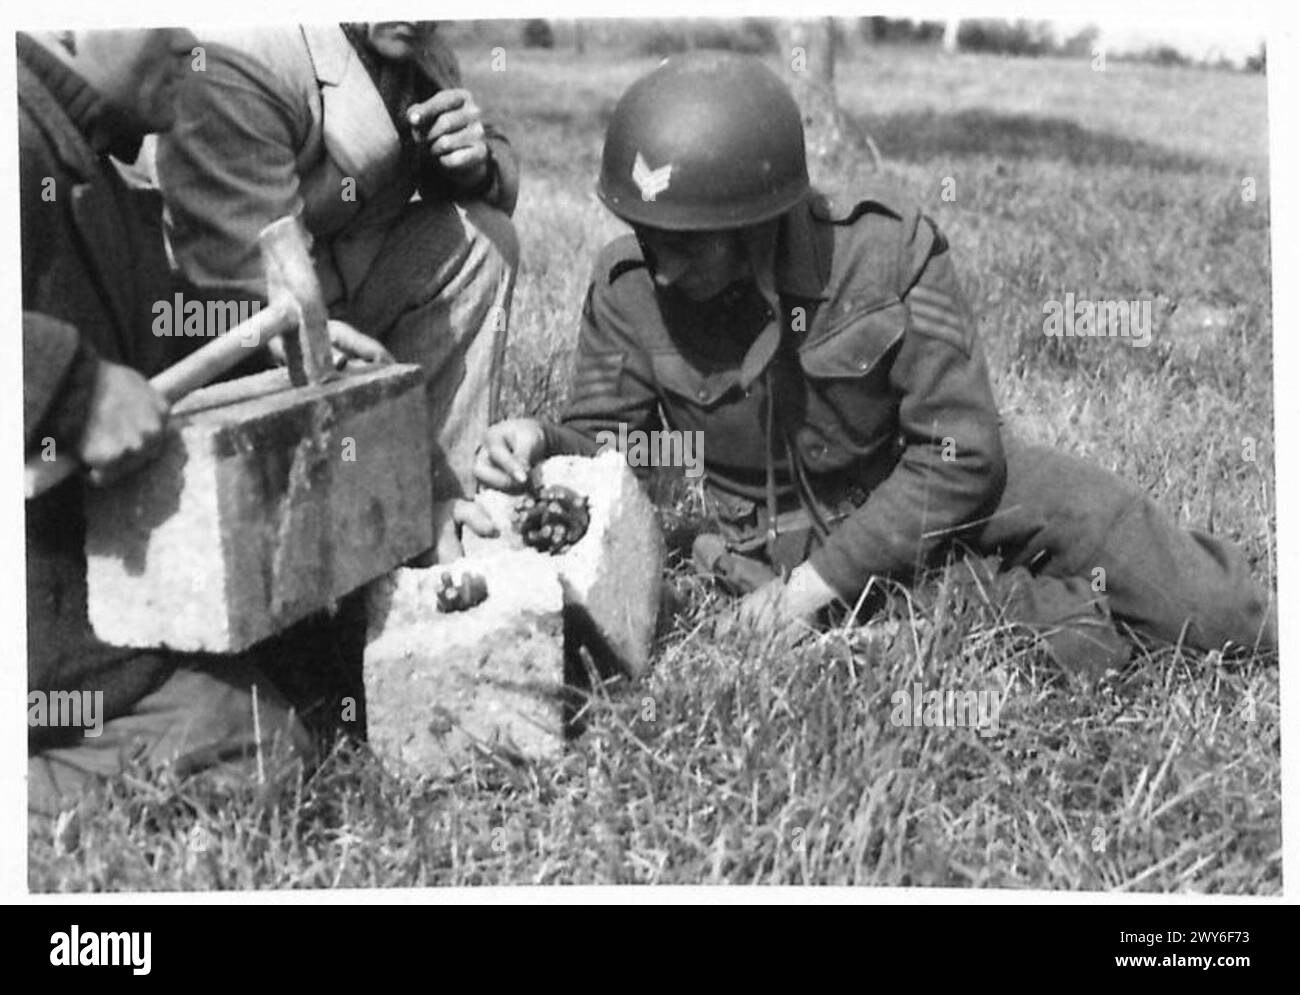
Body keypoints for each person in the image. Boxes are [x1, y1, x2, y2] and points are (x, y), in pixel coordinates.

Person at [474, 52, 1276, 672]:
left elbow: (958, 453)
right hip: (761, 542)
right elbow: (612, 457)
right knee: (1014, 635)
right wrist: (544, 442)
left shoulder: (888, 252)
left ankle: (1036, 599)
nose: (663, 269)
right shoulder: (628, 285)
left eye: (686, 244)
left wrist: (808, 595)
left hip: (929, 493)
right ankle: (1003, 616)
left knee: (1217, 612)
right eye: (648, 238)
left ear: (760, 221)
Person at [20, 28, 320, 815]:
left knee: (276, 693)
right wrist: (67, 387)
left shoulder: (90, 166)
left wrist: (264, 332)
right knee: (256, 743)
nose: (191, 41)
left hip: (62, 619)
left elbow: (151, 319)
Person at [153, 21, 519, 562]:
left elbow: (455, 166)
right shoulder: (244, 48)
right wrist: (321, 343)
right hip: (228, 329)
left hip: (336, 294)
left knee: (484, 237)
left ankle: (443, 516)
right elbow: (243, 278)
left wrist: (471, 163)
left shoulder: (418, 49)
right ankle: (361, 532)